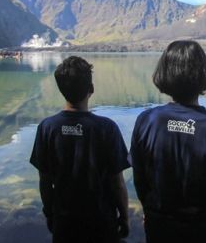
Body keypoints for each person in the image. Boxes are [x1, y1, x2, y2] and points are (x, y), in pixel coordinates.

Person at [130, 40, 206, 243]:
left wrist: (149, 212)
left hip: (161, 229)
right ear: (203, 74)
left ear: (164, 73)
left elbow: (140, 179)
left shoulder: (146, 121)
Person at [29, 56, 130, 243]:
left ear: (61, 90)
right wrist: (124, 216)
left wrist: (50, 213)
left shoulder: (47, 127)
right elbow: (117, 183)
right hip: (102, 221)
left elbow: (45, 181)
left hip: (64, 221)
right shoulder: (107, 128)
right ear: (91, 90)